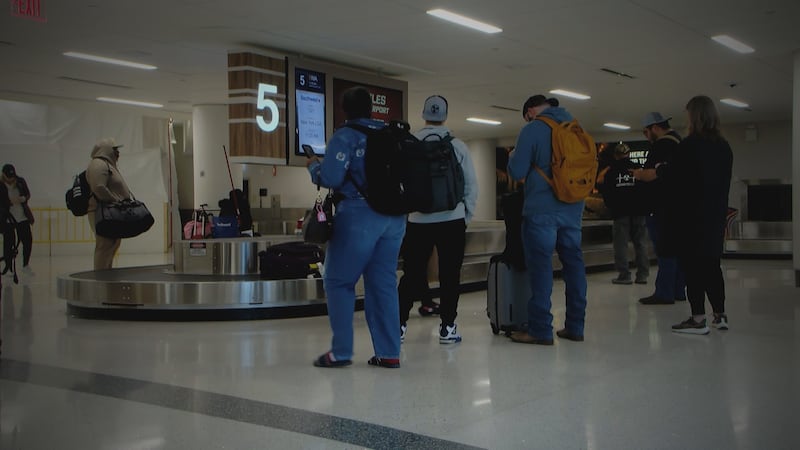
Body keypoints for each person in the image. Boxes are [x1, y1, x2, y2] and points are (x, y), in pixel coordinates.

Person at [306, 86, 406, 368]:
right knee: (384, 284)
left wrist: (314, 166)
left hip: (360, 214)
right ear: (372, 109)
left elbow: (332, 177)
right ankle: (389, 353)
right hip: (394, 217)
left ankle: (341, 352)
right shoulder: (389, 134)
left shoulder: (345, 136)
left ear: (344, 109)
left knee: (339, 281)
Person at [633, 96, 733, 334]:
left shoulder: (690, 145)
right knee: (712, 266)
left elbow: (675, 176)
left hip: (690, 217)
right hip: (715, 215)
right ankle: (719, 315)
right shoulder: (724, 146)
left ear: (694, 116)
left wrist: (659, 169)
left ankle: (698, 318)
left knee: (693, 268)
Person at [507, 95, 588, 345]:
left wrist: (513, 157)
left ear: (530, 111)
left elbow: (517, 171)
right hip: (573, 208)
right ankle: (575, 326)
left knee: (541, 269)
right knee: (574, 265)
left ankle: (540, 329)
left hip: (541, 210)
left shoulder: (533, 129)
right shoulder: (575, 127)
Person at [397, 95, 479, 344]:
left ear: (423, 114)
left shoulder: (409, 145)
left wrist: (408, 214)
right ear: (444, 116)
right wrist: (464, 216)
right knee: (449, 274)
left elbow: (401, 184)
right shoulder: (457, 145)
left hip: (418, 220)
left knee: (411, 274)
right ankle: (448, 328)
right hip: (451, 219)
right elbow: (471, 186)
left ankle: (398, 325)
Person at [637, 112, 686, 304]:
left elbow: (652, 174)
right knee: (677, 249)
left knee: (665, 249)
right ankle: (678, 290)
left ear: (655, 128)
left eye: (646, 132)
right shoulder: (679, 142)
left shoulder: (662, 145)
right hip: (678, 205)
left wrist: (639, 175)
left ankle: (664, 292)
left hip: (661, 207)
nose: (646, 136)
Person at [596, 143, 650, 285]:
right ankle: (642, 275)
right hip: (639, 210)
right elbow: (647, 187)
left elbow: (601, 185)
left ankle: (624, 275)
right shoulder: (638, 168)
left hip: (620, 213)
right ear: (628, 153)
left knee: (621, 245)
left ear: (615, 155)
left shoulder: (612, 171)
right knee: (641, 243)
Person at [86, 138, 132, 270]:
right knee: (104, 244)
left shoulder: (107, 165)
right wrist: (115, 200)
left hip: (110, 211)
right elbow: (99, 187)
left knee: (113, 243)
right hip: (101, 211)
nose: (117, 153)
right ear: (106, 150)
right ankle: (101, 275)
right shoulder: (98, 164)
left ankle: (107, 272)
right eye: (115, 149)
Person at [2, 164, 35, 275]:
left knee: (27, 241)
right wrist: (7, 203)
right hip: (7, 219)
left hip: (22, 216)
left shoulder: (20, 182)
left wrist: (23, 198)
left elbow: (27, 194)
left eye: (12, 176)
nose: (11, 179)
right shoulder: (1, 185)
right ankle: (9, 267)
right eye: (9, 176)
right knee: (9, 243)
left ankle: (26, 265)